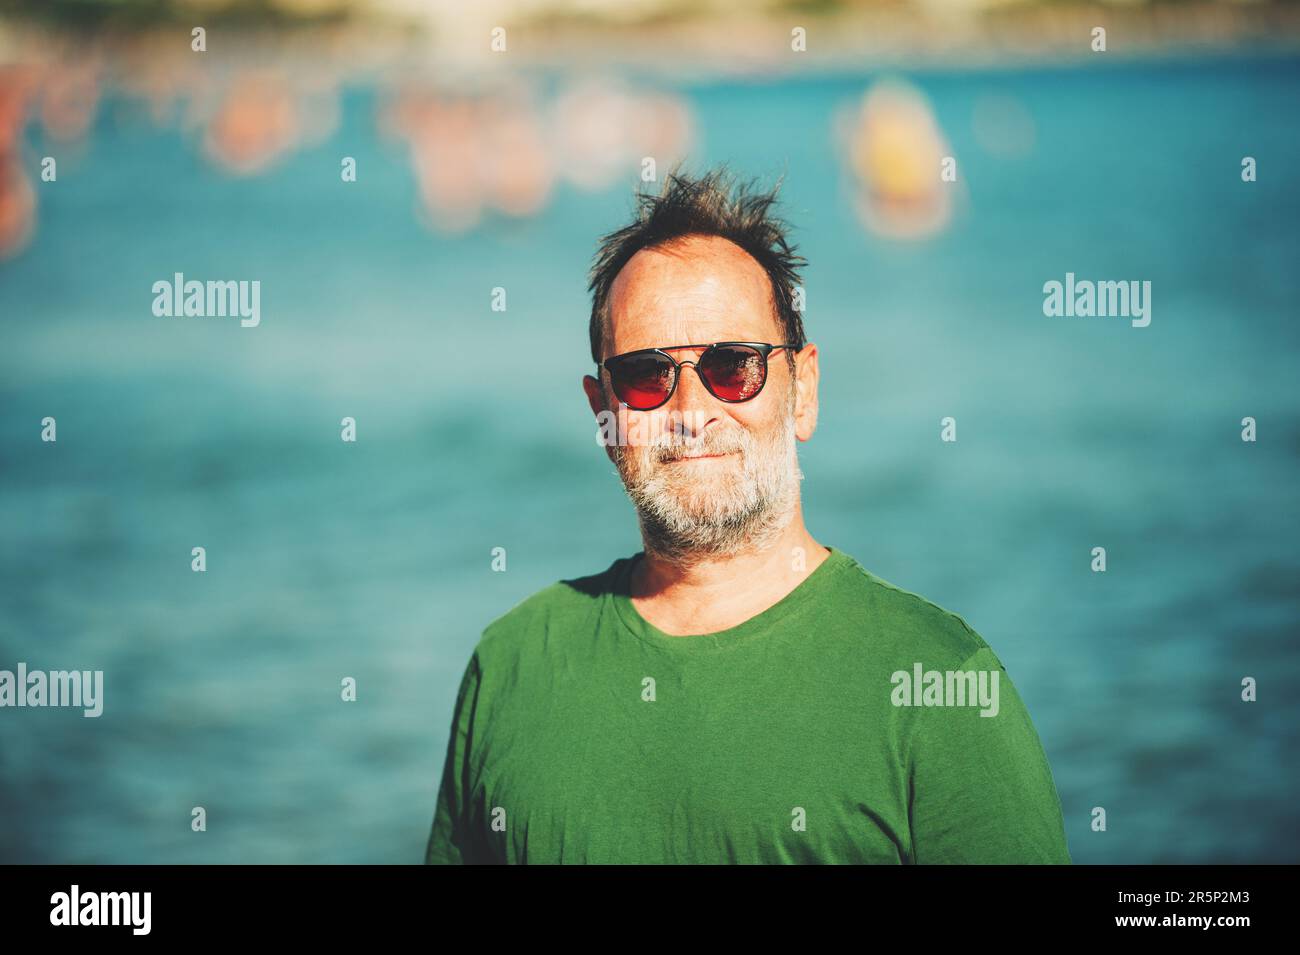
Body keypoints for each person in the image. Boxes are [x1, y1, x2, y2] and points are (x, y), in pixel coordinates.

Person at [425, 166, 1071, 864]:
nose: (690, 412)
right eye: (646, 376)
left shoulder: (942, 684)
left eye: (733, 366)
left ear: (804, 391)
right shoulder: (512, 664)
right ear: (602, 413)